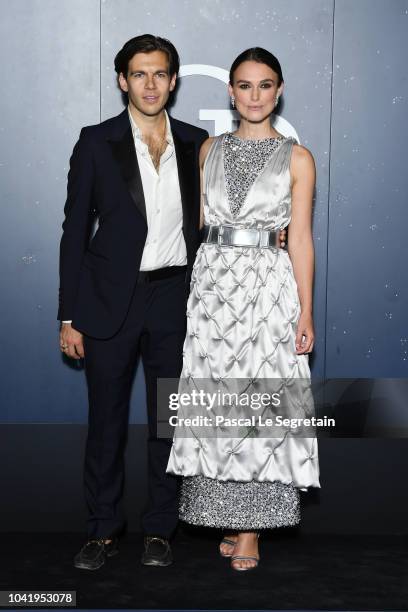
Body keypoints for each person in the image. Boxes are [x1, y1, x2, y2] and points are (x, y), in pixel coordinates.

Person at [58, 34, 210, 569]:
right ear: (123, 80)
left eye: (161, 74)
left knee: (169, 419)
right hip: (107, 301)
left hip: (175, 297)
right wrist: (69, 314)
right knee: (107, 423)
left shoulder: (198, 142)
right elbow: (75, 230)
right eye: (140, 74)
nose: (150, 84)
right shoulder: (96, 142)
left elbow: (217, 216)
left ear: (173, 81)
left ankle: (159, 530)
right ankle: (102, 530)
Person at [167, 47, 320, 571]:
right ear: (230, 93)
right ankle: (231, 519)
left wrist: (304, 312)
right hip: (213, 284)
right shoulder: (209, 149)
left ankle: (251, 531)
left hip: (267, 286)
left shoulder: (298, 158)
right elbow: (196, 223)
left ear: (278, 92)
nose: (255, 95)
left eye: (265, 85)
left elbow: (299, 239)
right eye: (245, 85)